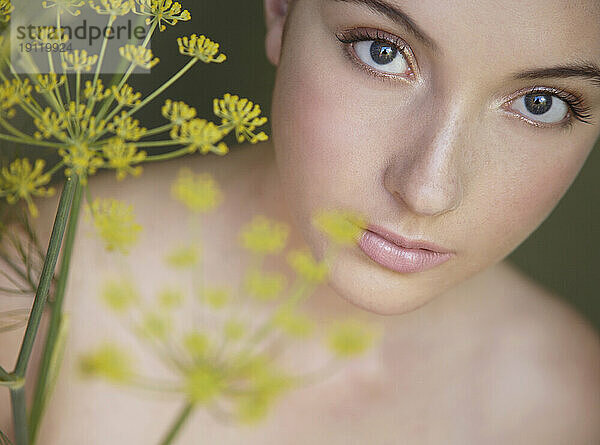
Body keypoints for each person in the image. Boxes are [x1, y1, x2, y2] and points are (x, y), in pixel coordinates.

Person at [1, 0, 600, 443]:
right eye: (382, 51)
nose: (427, 190)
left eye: (540, 103)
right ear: (281, 11)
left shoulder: (567, 402)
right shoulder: (45, 284)